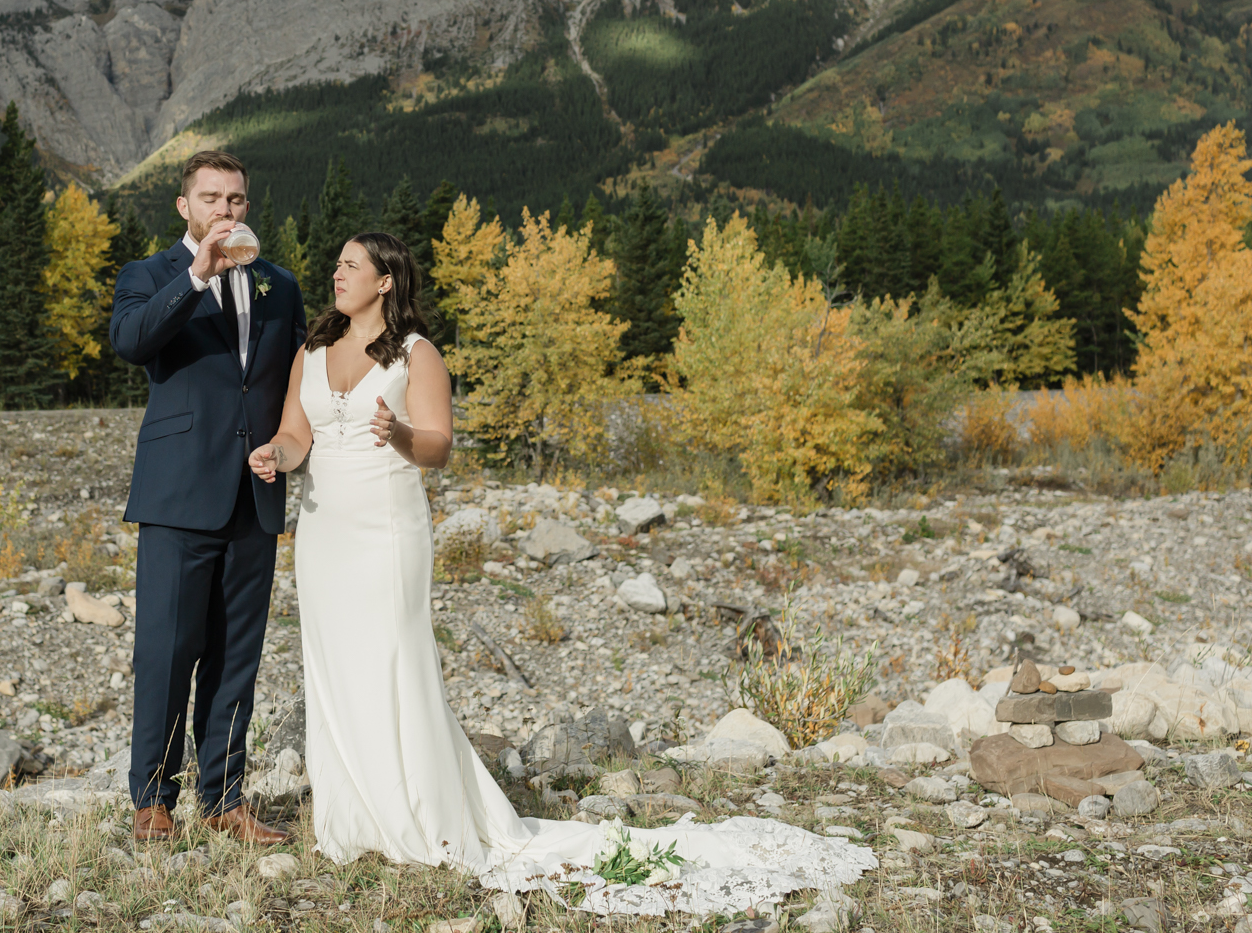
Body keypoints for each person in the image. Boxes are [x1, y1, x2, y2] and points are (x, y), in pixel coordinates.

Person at [249, 231, 877, 916]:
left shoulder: (416, 355)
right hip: (324, 534)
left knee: (396, 662)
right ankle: (353, 820)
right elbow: (297, 434)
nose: (335, 273)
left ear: (386, 281)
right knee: (334, 667)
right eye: (336, 264)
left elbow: (438, 445)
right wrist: (274, 457)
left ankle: (419, 814)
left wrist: (397, 434)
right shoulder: (310, 351)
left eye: (350, 265)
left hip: (388, 533)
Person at [110, 150, 306, 845]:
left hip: (255, 493)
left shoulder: (279, 286)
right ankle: (153, 800)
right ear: (185, 208)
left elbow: (291, 384)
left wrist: (289, 449)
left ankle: (224, 800)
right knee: (166, 651)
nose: (228, 210)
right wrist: (197, 277)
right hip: (178, 493)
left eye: (238, 200)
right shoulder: (150, 275)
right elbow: (132, 342)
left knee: (236, 658)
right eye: (214, 199)